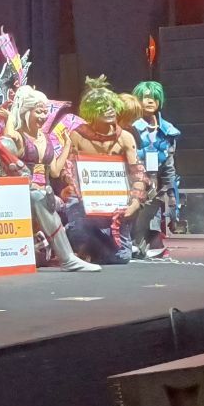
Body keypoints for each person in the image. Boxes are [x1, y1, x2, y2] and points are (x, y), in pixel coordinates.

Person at [4, 86, 101, 273]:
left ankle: (75, 251)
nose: (43, 116)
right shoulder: (19, 137)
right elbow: (9, 135)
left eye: (45, 112)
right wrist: (13, 111)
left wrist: (67, 146)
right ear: (26, 111)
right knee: (38, 197)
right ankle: (67, 258)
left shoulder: (46, 138)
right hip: (23, 192)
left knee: (67, 202)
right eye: (38, 112)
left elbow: (55, 171)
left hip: (45, 192)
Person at [64, 77, 148, 266]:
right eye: (102, 107)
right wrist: (80, 193)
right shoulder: (78, 136)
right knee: (75, 213)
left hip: (117, 202)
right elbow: (68, 170)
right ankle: (79, 240)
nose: (109, 110)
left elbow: (138, 173)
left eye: (111, 106)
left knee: (122, 257)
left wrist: (135, 202)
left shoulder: (125, 137)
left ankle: (97, 245)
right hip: (85, 201)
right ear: (91, 111)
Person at [132, 80, 181, 257]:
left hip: (156, 185)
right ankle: (133, 243)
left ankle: (149, 242)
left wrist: (173, 198)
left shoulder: (167, 130)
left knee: (152, 218)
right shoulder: (129, 127)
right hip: (133, 182)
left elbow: (169, 166)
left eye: (155, 98)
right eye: (145, 97)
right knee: (135, 220)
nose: (150, 101)